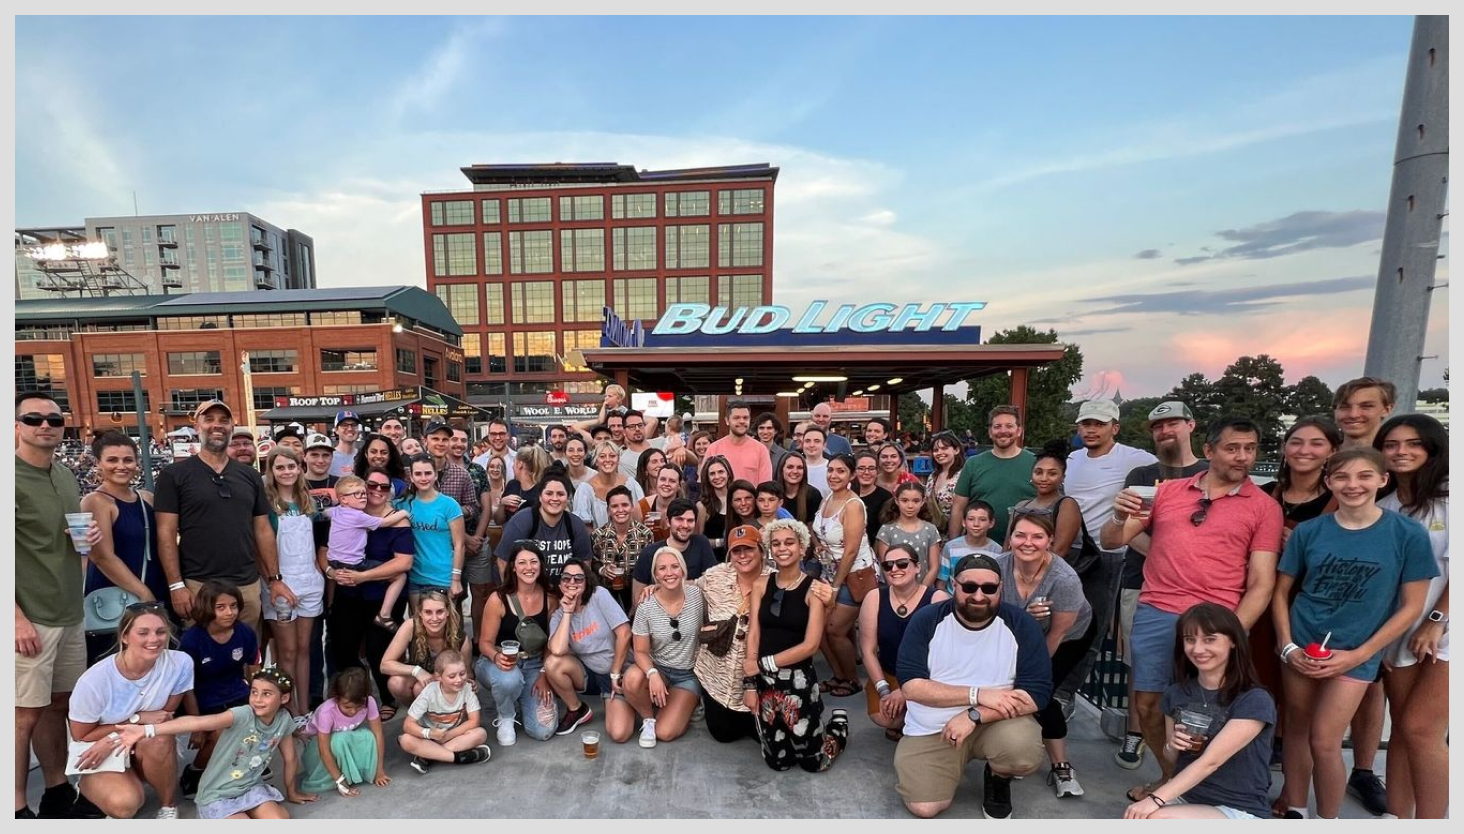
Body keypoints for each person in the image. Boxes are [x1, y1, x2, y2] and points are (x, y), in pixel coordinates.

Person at [1102, 416, 1281, 803]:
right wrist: (1118, 515)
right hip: (1158, 609)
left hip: (1219, 620)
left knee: (1210, 709)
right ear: (1209, 451)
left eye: (1250, 448)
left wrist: (1233, 631)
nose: (1243, 456)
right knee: (1148, 704)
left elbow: (1262, 582)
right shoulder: (1165, 492)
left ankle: (1205, 786)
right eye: (1233, 447)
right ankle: (1172, 780)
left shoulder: (1265, 507)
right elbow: (1114, 540)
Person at [1273, 447, 1434, 820]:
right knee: (1296, 728)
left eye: (1364, 476)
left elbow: (1411, 605)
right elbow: (1282, 592)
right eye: (1342, 477)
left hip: (1356, 652)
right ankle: (1296, 808)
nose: (1353, 485)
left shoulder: (1407, 533)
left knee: (1325, 739)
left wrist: (1363, 654)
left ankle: (1327, 820)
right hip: (1303, 642)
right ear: (1329, 483)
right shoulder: (1311, 531)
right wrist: (1286, 645)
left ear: (1383, 480)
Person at [893, 554, 1051, 820]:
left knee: (1022, 750)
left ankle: (998, 777)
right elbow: (911, 686)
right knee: (925, 808)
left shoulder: (1020, 624)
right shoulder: (926, 620)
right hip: (934, 729)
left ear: (1000, 588)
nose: (979, 596)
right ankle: (942, 767)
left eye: (989, 588)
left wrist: (973, 714)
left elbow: (1037, 693)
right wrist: (976, 694)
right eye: (969, 587)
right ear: (954, 585)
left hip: (995, 723)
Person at [1115, 403, 1212, 770]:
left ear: (1191, 424)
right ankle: (1136, 732)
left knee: (1195, 665)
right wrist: (1167, 554)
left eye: (1173, 422)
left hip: (1200, 589)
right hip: (1141, 580)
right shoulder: (1142, 474)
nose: (1165, 430)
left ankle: (1189, 739)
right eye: (1158, 425)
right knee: (1141, 665)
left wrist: (1180, 560)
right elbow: (1126, 531)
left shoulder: (1209, 472)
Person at [1122, 603, 1277, 820]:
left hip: (1239, 808)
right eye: (1189, 639)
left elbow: (1211, 761)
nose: (1197, 649)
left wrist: (1156, 799)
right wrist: (1172, 744)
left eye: (1209, 639)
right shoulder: (1176, 693)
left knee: (1155, 818)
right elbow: (1170, 758)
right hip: (1188, 797)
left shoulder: (1254, 699)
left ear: (1233, 641)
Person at [155, 399, 290, 640]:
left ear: (231, 426)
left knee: (247, 655)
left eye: (224, 420)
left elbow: (262, 530)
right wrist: (176, 585)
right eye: (209, 420)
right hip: (199, 584)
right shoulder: (174, 475)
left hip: (246, 585)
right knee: (202, 660)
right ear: (198, 426)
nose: (217, 425)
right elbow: (165, 532)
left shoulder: (249, 476)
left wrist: (275, 578)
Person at [1375, 413, 1449, 819]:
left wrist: (1435, 621)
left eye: (1413, 444)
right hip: (1400, 630)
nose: (1401, 452)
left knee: (1422, 730)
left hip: (1446, 630)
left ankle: (1434, 821)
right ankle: (1397, 816)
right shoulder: (1383, 507)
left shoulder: (1450, 497)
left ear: (1432, 449)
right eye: (1391, 445)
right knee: (1403, 727)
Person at [114, 667, 314, 818]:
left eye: (267, 694)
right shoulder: (242, 715)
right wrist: (146, 730)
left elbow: (290, 758)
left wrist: (292, 791)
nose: (258, 699)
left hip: (250, 788)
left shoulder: (284, 720)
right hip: (218, 795)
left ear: (284, 698)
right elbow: (197, 722)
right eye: (254, 692)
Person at [1331, 377, 1397, 813]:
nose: (1354, 413)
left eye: (1366, 406)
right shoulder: (1327, 452)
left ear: (1385, 409)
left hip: (1383, 584)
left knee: (1373, 681)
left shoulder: (1400, 457)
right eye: (1346, 406)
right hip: (1327, 578)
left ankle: (1364, 768)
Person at [996, 514, 1092, 798]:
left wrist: (1033, 676)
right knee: (1011, 688)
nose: (1028, 543)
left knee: (1041, 694)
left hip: (1067, 636)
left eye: (1037, 537)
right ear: (1010, 538)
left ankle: (1061, 765)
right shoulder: (998, 568)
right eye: (1020, 535)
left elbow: (1057, 634)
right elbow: (991, 615)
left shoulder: (1064, 579)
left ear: (1050, 541)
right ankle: (1014, 749)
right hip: (1018, 632)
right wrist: (1025, 617)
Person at [67, 604, 193, 819]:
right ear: (124, 637)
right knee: (125, 806)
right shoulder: (94, 680)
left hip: (144, 739)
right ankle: (89, 784)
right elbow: (81, 734)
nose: (154, 639)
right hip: (102, 744)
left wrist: (138, 728)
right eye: (143, 632)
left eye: (160, 632)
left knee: (160, 738)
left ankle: (168, 806)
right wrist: (137, 718)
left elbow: (164, 718)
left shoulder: (180, 663)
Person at [743, 520, 851, 771]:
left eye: (789, 542)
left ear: (802, 549)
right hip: (764, 682)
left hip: (798, 681)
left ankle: (838, 727)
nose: (782, 548)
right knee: (778, 762)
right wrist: (749, 683)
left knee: (815, 763)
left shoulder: (815, 589)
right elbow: (754, 634)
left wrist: (763, 664)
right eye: (776, 543)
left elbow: (811, 645)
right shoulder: (760, 584)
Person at [326, 467, 415, 721]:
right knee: (344, 647)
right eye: (370, 485)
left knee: (379, 651)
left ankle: (387, 698)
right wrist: (333, 573)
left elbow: (403, 564)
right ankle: (354, 699)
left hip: (381, 595)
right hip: (348, 593)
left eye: (383, 487)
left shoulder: (398, 520)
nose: (375, 491)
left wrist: (362, 576)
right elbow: (325, 550)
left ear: (390, 492)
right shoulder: (347, 513)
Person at [79, 432, 169, 665]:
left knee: (155, 664)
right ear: (98, 463)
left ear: (137, 463)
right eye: (112, 460)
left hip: (154, 587)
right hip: (116, 596)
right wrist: (143, 593)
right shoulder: (95, 501)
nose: (121, 466)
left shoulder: (147, 498)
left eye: (128, 460)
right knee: (119, 665)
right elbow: (102, 556)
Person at [177, 581, 260, 799]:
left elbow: (254, 669)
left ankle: (243, 767)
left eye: (233, 606)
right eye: (221, 607)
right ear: (207, 608)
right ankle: (194, 773)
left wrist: (259, 700)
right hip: (204, 700)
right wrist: (196, 725)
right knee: (220, 733)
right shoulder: (191, 640)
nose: (229, 612)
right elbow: (186, 687)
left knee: (263, 722)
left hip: (237, 692)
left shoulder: (245, 633)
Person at [474, 542, 558, 746]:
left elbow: (550, 644)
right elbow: (484, 644)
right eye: (522, 563)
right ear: (513, 567)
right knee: (508, 680)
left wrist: (544, 674)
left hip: (534, 664)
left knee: (543, 730)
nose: (528, 567)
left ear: (541, 565)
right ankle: (506, 715)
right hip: (496, 661)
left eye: (533, 562)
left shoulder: (551, 599)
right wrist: (496, 657)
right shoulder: (498, 598)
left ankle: (520, 696)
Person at [860, 543, 947, 740]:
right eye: (888, 565)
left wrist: (905, 691)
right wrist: (883, 690)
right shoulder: (874, 597)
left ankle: (920, 723)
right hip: (888, 673)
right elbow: (868, 651)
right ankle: (906, 722)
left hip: (928, 676)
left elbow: (942, 655)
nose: (895, 570)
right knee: (885, 717)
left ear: (917, 567)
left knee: (925, 712)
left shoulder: (937, 598)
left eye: (902, 563)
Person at [262, 447, 325, 715]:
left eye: (291, 466)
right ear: (271, 471)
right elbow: (260, 548)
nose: (287, 472)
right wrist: (273, 580)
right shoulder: (266, 504)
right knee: (286, 652)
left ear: (300, 468)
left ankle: (304, 709)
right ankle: (290, 712)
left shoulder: (307, 502)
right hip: (280, 584)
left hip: (309, 582)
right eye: (280, 467)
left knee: (304, 650)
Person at [544, 559, 634, 739]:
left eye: (578, 578)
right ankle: (576, 709)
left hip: (617, 670)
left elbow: (624, 634)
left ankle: (627, 698)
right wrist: (568, 612)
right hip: (589, 674)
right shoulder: (558, 615)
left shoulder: (599, 595)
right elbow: (557, 650)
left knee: (619, 734)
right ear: (560, 584)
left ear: (587, 582)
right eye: (566, 578)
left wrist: (615, 672)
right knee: (552, 663)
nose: (572, 582)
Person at [624, 547, 705, 747]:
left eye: (674, 567)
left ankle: (686, 703)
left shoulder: (697, 594)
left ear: (683, 571)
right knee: (632, 678)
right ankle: (648, 718)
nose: (669, 573)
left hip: (687, 673)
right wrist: (652, 673)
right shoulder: (646, 605)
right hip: (659, 667)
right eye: (662, 568)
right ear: (656, 575)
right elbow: (640, 651)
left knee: (666, 733)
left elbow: (722, 577)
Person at [812, 453, 876, 698]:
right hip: (829, 573)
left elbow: (850, 552)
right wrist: (817, 543)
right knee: (819, 629)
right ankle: (838, 675)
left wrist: (836, 586)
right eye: (830, 470)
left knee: (835, 629)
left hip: (854, 576)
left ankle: (852, 679)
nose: (833, 475)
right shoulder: (827, 499)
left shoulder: (853, 505)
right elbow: (817, 529)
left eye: (840, 471)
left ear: (851, 475)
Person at [323, 474, 409, 631]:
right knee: (400, 576)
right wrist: (403, 513)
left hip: (334, 562)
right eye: (357, 494)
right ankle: (384, 614)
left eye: (363, 493)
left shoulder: (336, 512)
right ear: (343, 499)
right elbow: (385, 522)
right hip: (354, 564)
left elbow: (324, 512)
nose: (362, 496)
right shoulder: (358, 516)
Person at [948, 405, 1041, 546]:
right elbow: (958, 508)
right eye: (997, 426)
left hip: (1024, 548)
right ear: (990, 432)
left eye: (1009, 426)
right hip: (978, 548)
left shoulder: (1036, 463)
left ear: (1019, 431)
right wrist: (954, 545)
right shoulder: (973, 464)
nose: (1003, 431)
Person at [298, 667, 390, 798]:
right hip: (316, 752)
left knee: (368, 736)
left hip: (341, 742)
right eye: (347, 706)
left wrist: (379, 770)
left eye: (358, 707)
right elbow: (323, 750)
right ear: (336, 698)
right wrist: (341, 782)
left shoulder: (369, 702)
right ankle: (338, 776)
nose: (353, 711)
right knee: (339, 740)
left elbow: (378, 735)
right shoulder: (327, 712)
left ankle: (357, 773)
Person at [399, 649, 491, 773]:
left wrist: (447, 736)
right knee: (406, 740)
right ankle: (458, 758)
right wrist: (429, 733)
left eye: (462, 673)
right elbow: (408, 725)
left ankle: (427, 756)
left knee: (480, 733)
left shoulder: (467, 689)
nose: (459, 679)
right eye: (452, 676)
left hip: (453, 735)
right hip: (429, 736)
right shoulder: (429, 692)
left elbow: (474, 721)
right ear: (438, 677)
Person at [380, 589, 471, 709]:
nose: (434, 618)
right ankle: (417, 713)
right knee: (396, 683)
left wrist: (469, 683)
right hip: (419, 676)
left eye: (440, 612)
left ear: (448, 612)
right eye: (428, 612)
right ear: (420, 613)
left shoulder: (461, 638)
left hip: (446, 682)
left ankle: (439, 715)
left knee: (420, 689)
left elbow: (467, 675)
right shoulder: (410, 626)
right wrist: (417, 671)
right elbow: (385, 666)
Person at [496, 470, 593, 582]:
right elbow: (503, 561)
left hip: (565, 590)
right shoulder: (522, 520)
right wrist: (514, 596)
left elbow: (585, 564)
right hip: (528, 589)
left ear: (567, 498)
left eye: (560, 494)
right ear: (540, 497)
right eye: (549, 493)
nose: (555, 498)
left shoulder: (575, 524)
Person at [397, 453, 466, 603]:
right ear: (412, 477)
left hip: (443, 576)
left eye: (428, 473)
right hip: (415, 575)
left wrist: (456, 579)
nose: (423, 478)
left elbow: (459, 545)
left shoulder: (449, 505)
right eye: (418, 474)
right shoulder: (402, 504)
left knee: (443, 623)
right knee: (418, 622)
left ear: (435, 475)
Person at [631, 498, 720, 604]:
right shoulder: (649, 553)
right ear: (668, 522)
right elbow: (637, 600)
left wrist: (665, 586)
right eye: (679, 519)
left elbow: (715, 582)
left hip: (695, 611)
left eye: (690, 520)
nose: (685, 525)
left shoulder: (701, 543)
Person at [420, 421, 482, 563]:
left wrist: (455, 510)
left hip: (454, 547)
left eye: (445, 439)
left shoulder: (461, 474)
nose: (440, 443)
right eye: (435, 439)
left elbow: (474, 508)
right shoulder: (414, 472)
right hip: (424, 546)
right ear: (425, 441)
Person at [591, 485, 655, 609]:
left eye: (625, 505)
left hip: (637, 596)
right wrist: (602, 569)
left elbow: (651, 568)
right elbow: (592, 561)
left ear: (632, 507)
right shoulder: (598, 535)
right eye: (615, 506)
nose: (620, 510)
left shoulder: (646, 534)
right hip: (606, 596)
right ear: (608, 511)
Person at [877, 482, 942, 586]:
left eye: (916, 501)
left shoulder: (930, 529)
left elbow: (934, 566)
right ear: (897, 501)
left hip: (923, 589)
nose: (910, 506)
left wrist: (921, 592)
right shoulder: (887, 530)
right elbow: (886, 565)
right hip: (894, 589)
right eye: (905, 501)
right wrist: (895, 589)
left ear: (923, 501)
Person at [934, 501, 1003, 593]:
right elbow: (941, 582)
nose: (976, 524)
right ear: (963, 522)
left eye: (982, 519)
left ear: (991, 523)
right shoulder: (951, 547)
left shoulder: (997, 551)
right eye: (971, 519)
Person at [573, 440, 645, 529]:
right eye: (602, 456)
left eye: (612, 456)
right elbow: (584, 527)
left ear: (618, 460)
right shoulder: (585, 490)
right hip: (597, 541)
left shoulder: (631, 484)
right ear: (596, 461)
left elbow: (641, 516)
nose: (607, 460)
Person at [702, 401, 773, 486]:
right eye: (736, 418)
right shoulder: (713, 448)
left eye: (745, 418)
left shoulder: (761, 450)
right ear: (727, 420)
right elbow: (705, 482)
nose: (742, 421)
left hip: (750, 499)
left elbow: (765, 487)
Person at [1334, 376, 1396, 450]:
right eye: (1344, 407)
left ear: (1387, 410)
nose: (1353, 415)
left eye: (1366, 406)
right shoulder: (1321, 458)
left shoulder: (1396, 458)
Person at [498, 444, 552, 522]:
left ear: (520, 464)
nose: (512, 467)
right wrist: (502, 504)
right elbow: (499, 520)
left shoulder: (541, 490)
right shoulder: (512, 485)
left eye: (514, 463)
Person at [853, 448, 893, 548]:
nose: (866, 472)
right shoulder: (847, 494)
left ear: (877, 471)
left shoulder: (886, 497)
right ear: (854, 471)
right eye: (861, 468)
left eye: (871, 468)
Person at [926, 431, 965, 530]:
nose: (939, 453)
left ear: (956, 450)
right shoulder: (932, 476)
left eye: (944, 448)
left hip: (956, 532)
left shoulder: (963, 475)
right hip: (932, 533)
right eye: (935, 450)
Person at [695, 454, 734, 551]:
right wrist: (722, 542)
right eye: (712, 474)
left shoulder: (737, 500)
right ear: (707, 478)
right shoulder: (702, 506)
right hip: (713, 559)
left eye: (721, 472)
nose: (717, 477)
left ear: (728, 474)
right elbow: (697, 541)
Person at [352, 433, 407, 498]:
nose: (378, 456)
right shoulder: (353, 483)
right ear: (366, 454)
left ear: (389, 456)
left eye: (384, 453)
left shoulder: (399, 485)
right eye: (373, 452)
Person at [637, 463, 683, 542]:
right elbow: (633, 542)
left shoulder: (686, 509)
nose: (666, 484)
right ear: (657, 481)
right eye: (663, 479)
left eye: (672, 481)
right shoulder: (641, 506)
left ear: (679, 485)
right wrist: (643, 532)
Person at [777, 450, 822, 526]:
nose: (795, 471)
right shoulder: (773, 493)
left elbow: (812, 529)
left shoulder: (813, 495)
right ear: (782, 470)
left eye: (799, 467)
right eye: (790, 467)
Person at [303, 432, 340, 508]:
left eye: (325, 455)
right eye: (314, 455)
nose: (320, 460)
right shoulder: (294, 484)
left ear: (332, 457)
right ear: (304, 457)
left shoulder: (341, 484)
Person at [754, 412, 790, 477]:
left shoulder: (784, 455)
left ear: (776, 431)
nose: (765, 432)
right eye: (761, 428)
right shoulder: (750, 452)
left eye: (769, 428)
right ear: (757, 430)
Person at [328, 410, 363, 477]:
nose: (350, 429)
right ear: (336, 430)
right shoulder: (329, 457)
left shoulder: (363, 456)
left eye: (354, 425)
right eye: (344, 425)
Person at [685, 430, 713, 502]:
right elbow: (684, 487)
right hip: (690, 506)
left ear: (711, 444)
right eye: (698, 444)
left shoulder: (715, 465)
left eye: (704, 443)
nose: (701, 447)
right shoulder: (689, 467)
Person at [801, 426, 830, 493]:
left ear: (824, 445)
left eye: (817, 441)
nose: (811, 445)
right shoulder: (796, 468)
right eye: (807, 441)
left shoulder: (831, 468)